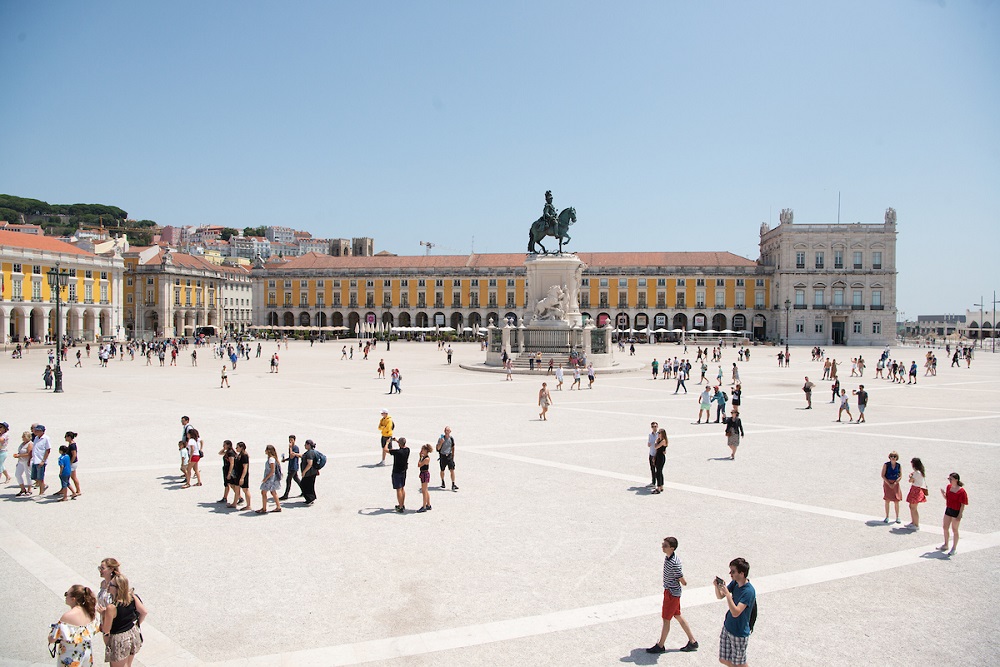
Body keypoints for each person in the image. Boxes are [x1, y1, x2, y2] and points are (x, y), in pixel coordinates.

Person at [646, 536, 698, 654]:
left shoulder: (674, 562)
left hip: (671, 594)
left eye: (665, 545)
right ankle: (693, 641)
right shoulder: (669, 558)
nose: (662, 547)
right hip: (673, 593)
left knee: (666, 619)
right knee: (678, 616)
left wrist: (684, 582)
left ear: (672, 548)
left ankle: (660, 645)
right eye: (663, 544)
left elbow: (681, 577)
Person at [714, 557, 756, 667]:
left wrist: (728, 595)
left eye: (733, 571)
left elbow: (736, 612)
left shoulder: (748, 592)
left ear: (742, 573)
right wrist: (717, 587)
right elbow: (720, 596)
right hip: (728, 627)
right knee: (723, 659)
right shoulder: (735, 583)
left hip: (739, 632)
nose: (730, 573)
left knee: (740, 663)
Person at [100, 572, 148, 667]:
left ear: (118, 588)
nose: (108, 585)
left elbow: (106, 629)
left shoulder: (111, 607)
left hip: (119, 639)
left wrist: (103, 614)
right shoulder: (131, 597)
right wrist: (137, 625)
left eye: (111, 584)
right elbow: (144, 612)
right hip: (132, 633)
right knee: (127, 665)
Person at [48, 584, 100, 667]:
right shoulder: (89, 612)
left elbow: (52, 639)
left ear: (73, 599)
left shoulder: (67, 616)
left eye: (66, 594)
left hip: (71, 656)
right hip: (87, 653)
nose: (65, 596)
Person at [939, 472, 968, 555]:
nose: (949, 480)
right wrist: (943, 494)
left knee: (955, 530)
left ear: (956, 480)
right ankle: (946, 544)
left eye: (951, 479)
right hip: (948, 509)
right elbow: (947, 498)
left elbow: (963, 505)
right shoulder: (948, 487)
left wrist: (960, 515)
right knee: (945, 527)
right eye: (949, 479)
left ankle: (954, 548)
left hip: (956, 511)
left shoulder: (961, 491)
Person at [384, 436, 410, 513]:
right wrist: (396, 441)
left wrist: (387, 443)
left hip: (397, 472)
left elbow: (385, 450)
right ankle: (402, 504)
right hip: (403, 471)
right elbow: (402, 445)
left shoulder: (397, 452)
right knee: (402, 488)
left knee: (398, 489)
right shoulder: (407, 450)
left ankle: (400, 506)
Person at [256, 444, 283, 514]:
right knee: (273, 492)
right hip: (271, 478)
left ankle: (264, 508)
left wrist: (266, 478)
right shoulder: (272, 458)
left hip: (270, 479)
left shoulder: (271, 459)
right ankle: (278, 507)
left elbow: (272, 470)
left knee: (264, 492)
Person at [905, 457, 928, 529]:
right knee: (911, 507)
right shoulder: (920, 472)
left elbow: (910, 480)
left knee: (914, 508)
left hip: (915, 490)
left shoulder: (917, 473)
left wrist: (911, 476)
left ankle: (916, 524)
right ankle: (913, 522)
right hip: (916, 489)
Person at [881, 451, 903, 523]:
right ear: (889, 457)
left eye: (894, 456)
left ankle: (897, 517)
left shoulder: (898, 465)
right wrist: (889, 484)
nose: (893, 458)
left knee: (896, 501)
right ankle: (887, 516)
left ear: (897, 458)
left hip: (895, 484)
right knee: (887, 500)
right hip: (887, 484)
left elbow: (900, 476)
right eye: (891, 456)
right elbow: (883, 475)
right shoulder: (886, 465)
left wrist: (895, 483)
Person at [228, 442, 251, 510]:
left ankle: (248, 505)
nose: (236, 448)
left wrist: (242, 478)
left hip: (242, 475)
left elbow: (245, 467)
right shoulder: (239, 455)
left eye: (237, 447)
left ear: (241, 447)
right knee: (237, 489)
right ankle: (234, 503)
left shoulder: (244, 456)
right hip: (238, 475)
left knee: (245, 490)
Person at [31, 423, 52, 496]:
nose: (35, 432)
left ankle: (41, 492)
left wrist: (43, 461)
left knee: (40, 477)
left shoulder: (46, 438)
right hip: (35, 460)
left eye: (38, 431)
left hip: (41, 460)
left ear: (42, 431)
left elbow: (48, 450)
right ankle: (44, 486)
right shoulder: (36, 438)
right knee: (34, 477)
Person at [279, 434, 302, 500]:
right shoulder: (292, 448)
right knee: (296, 479)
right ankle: (304, 491)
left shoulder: (295, 448)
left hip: (293, 467)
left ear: (294, 440)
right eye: (289, 440)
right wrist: (285, 460)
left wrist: (290, 448)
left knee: (288, 480)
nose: (290, 441)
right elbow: (290, 457)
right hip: (291, 466)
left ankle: (286, 495)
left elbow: (292, 456)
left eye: (291, 440)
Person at [436, 426, 458, 491]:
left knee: (452, 470)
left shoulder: (451, 439)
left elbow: (453, 447)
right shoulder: (441, 439)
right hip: (443, 456)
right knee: (442, 470)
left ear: (450, 432)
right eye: (445, 431)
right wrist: (441, 442)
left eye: (448, 431)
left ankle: (453, 484)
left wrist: (453, 455)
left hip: (449, 456)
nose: (446, 432)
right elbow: (438, 448)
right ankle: (443, 481)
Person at [300, 439, 319, 505]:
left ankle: (310, 498)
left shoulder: (310, 453)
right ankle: (311, 498)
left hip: (309, 473)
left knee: (304, 485)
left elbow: (310, 463)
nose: (304, 445)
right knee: (310, 485)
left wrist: (304, 472)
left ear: (308, 445)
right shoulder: (311, 452)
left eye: (305, 444)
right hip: (312, 472)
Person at [14, 429, 33, 496]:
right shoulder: (22, 444)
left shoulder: (30, 444)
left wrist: (19, 455)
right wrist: (18, 457)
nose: (22, 438)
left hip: (27, 461)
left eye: (23, 436)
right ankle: (22, 489)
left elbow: (29, 453)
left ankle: (29, 489)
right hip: (21, 461)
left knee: (28, 475)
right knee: (17, 474)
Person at [218, 440, 236, 504]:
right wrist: (224, 448)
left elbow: (232, 463)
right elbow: (220, 453)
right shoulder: (227, 452)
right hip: (226, 469)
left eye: (224, 445)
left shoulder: (231, 453)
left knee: (232, 484)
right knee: (227, 484)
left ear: (228, 445)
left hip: (229, 470)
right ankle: (225, 497)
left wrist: (229, 473)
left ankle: (239, 496)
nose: (223, 446)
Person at [65, 430, 81, 498]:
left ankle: (78, 490)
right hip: (72, 462)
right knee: (72, 477)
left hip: (73, 463)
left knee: (73, 477)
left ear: (69, 437)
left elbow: (74, 455)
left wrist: (70, 463)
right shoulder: (71, 444)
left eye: (66, 437)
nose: (65, 438)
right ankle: (77, 490)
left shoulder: (72, 445)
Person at [417, 444, 433, 513]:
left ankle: (424, 506)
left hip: (425, 474)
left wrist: (420, 457)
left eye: (423, 449)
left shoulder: (426, 458)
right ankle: (428, 504)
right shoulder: (425, 457)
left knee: (424, 491)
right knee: (425, 490)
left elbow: (419, 465)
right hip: (423, 473)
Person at [651, 428, 668, 494]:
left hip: (661, 457)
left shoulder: (663, 441)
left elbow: (656, 447)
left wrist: (655, 442)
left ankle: (658, 487)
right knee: (659, 472)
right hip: (658, 456)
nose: (658, 434)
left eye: (659, 433)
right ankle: (661, 486)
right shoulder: (660, 440)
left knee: (658, 472)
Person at [646, 422, 660, 488]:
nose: (654, 428)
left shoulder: (659, 435)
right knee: (652, 469)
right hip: (651, 453)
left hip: (657, 454)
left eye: (655, 426)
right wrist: (649, 444)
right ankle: (653, 482)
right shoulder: (650, 435)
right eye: (653, 426)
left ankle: (659, 483)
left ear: (657, 427)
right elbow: (649, 443)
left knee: (658, 470)